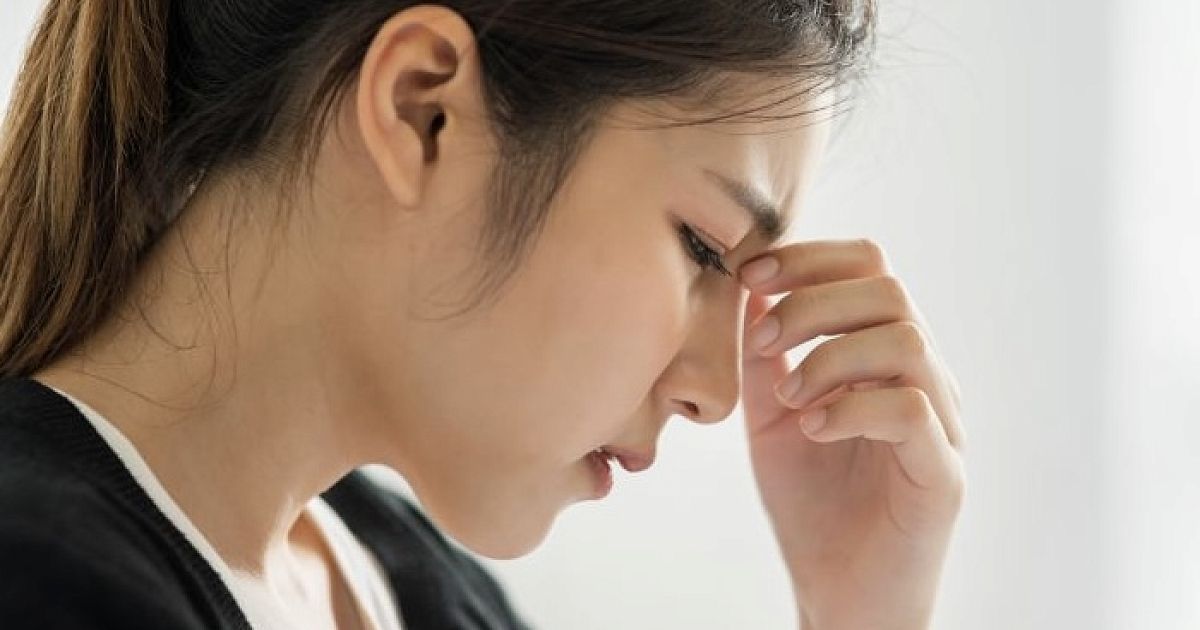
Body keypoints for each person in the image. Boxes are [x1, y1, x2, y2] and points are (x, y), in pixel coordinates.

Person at [0, 1, 966, 629]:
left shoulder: (420, 590)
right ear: (423, 112)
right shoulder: (42, 582)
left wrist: (857, 608)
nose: (718, 393)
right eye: (704, 248)